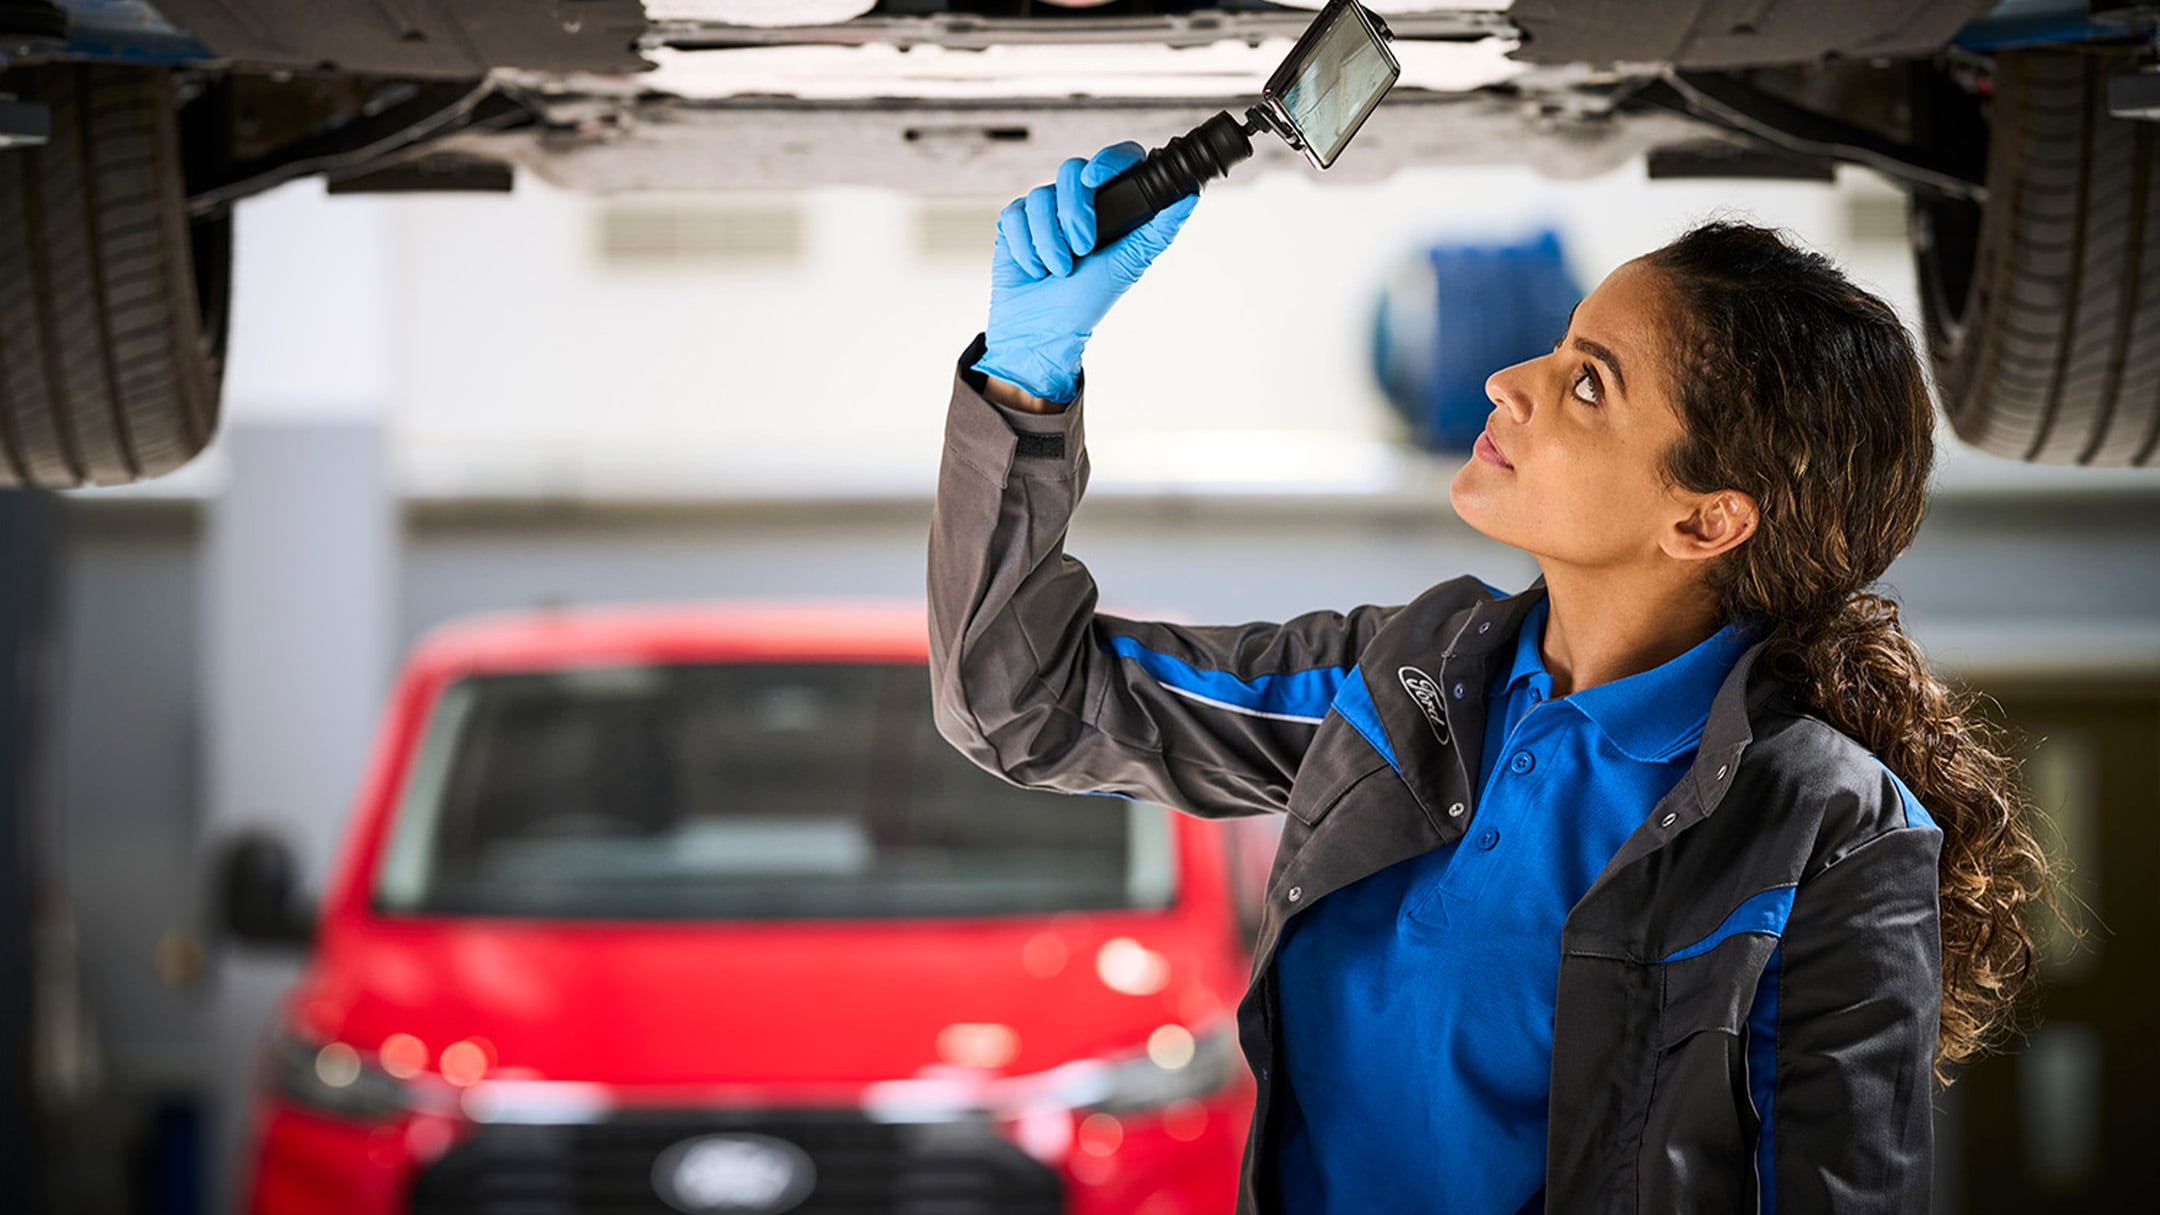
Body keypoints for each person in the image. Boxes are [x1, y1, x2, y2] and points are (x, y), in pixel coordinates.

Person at [927, 143, 2060, 1213]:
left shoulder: (1825, 829)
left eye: (1587, 385)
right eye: (1560, 348)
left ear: (1706, 517)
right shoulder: (1406, 682)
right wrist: (1027, 384)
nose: (1509, 379)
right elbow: (1028, 701)